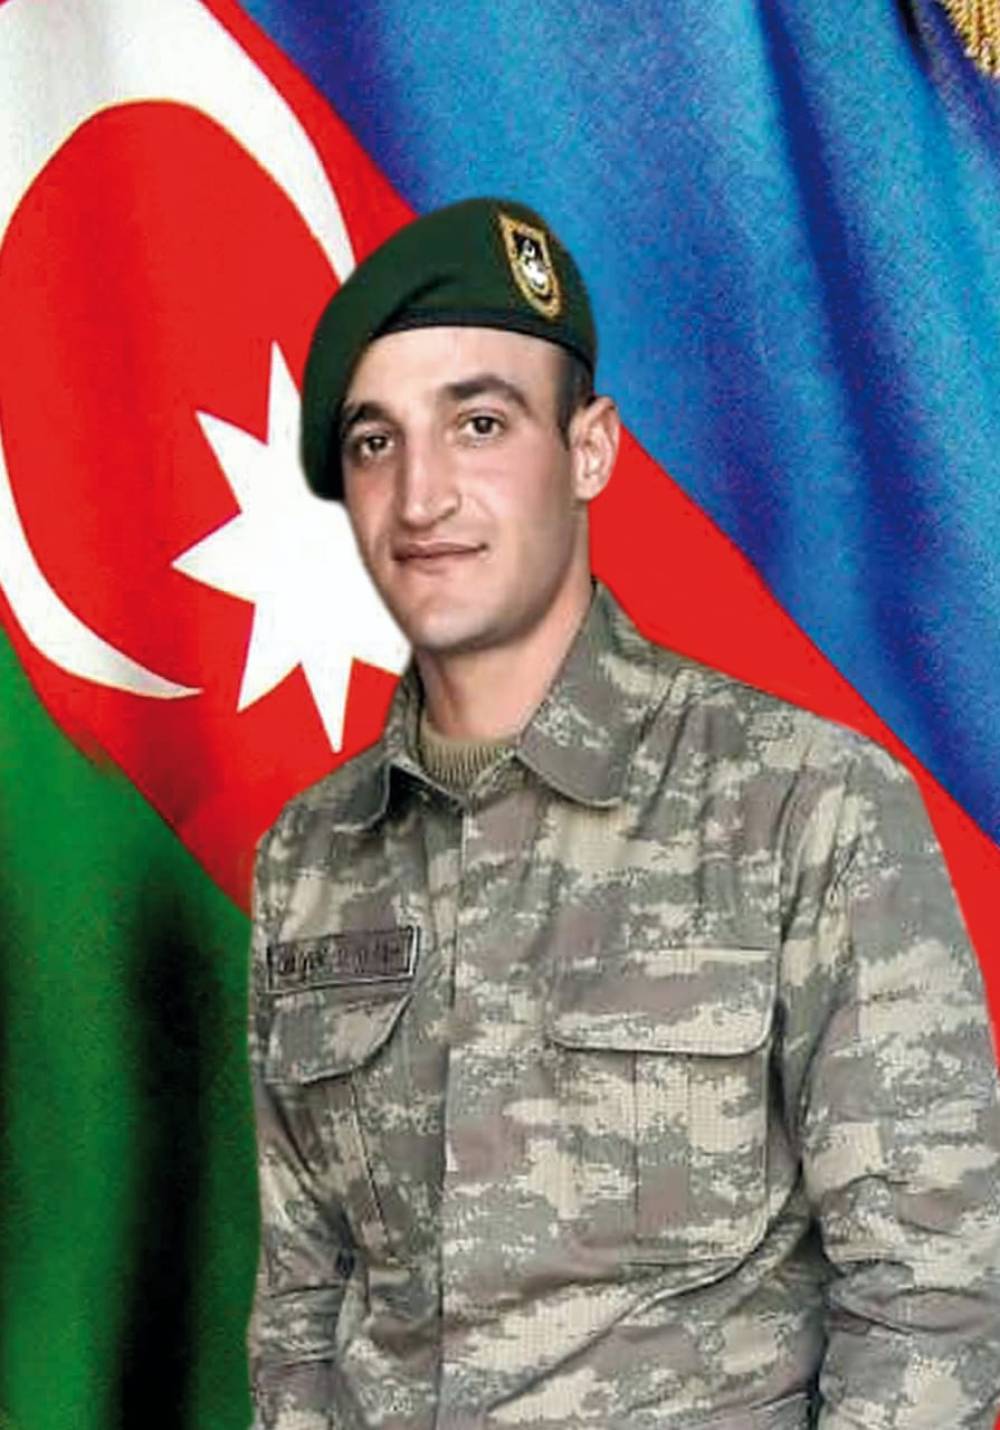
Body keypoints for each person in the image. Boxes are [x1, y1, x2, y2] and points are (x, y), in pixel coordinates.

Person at [247, 198, 1000, 1429]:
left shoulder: (803, 804)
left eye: (478, 423)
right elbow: (301, 1303)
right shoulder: (311, 857)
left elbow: (932, 1293)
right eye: (375, 441)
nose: (421, 495)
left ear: (588, 449)